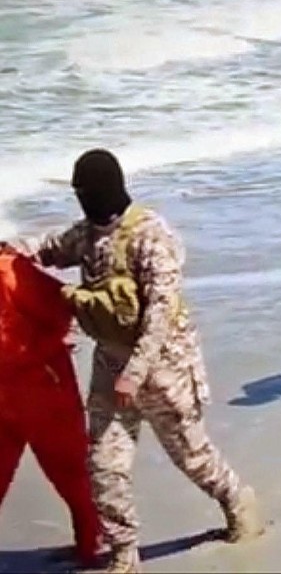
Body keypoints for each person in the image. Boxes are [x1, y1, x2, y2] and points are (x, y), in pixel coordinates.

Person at [13, 149, 264, 573]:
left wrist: (135, 374)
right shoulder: (88, 234)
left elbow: (160, 317)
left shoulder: (151, 236)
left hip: (164, 369)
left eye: (87, 192)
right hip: (111, 368)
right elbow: (49, 248)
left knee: (193, 458)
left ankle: (238, 501)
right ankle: (124, 556)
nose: (83, 200)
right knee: (104, 465)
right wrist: (12, 249)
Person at [0, 248, 101, 569]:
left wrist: (35, 349)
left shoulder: (11, 272)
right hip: (6, 392)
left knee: (71, 472)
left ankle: (91, 547)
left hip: (44, 387)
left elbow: (62, 308)